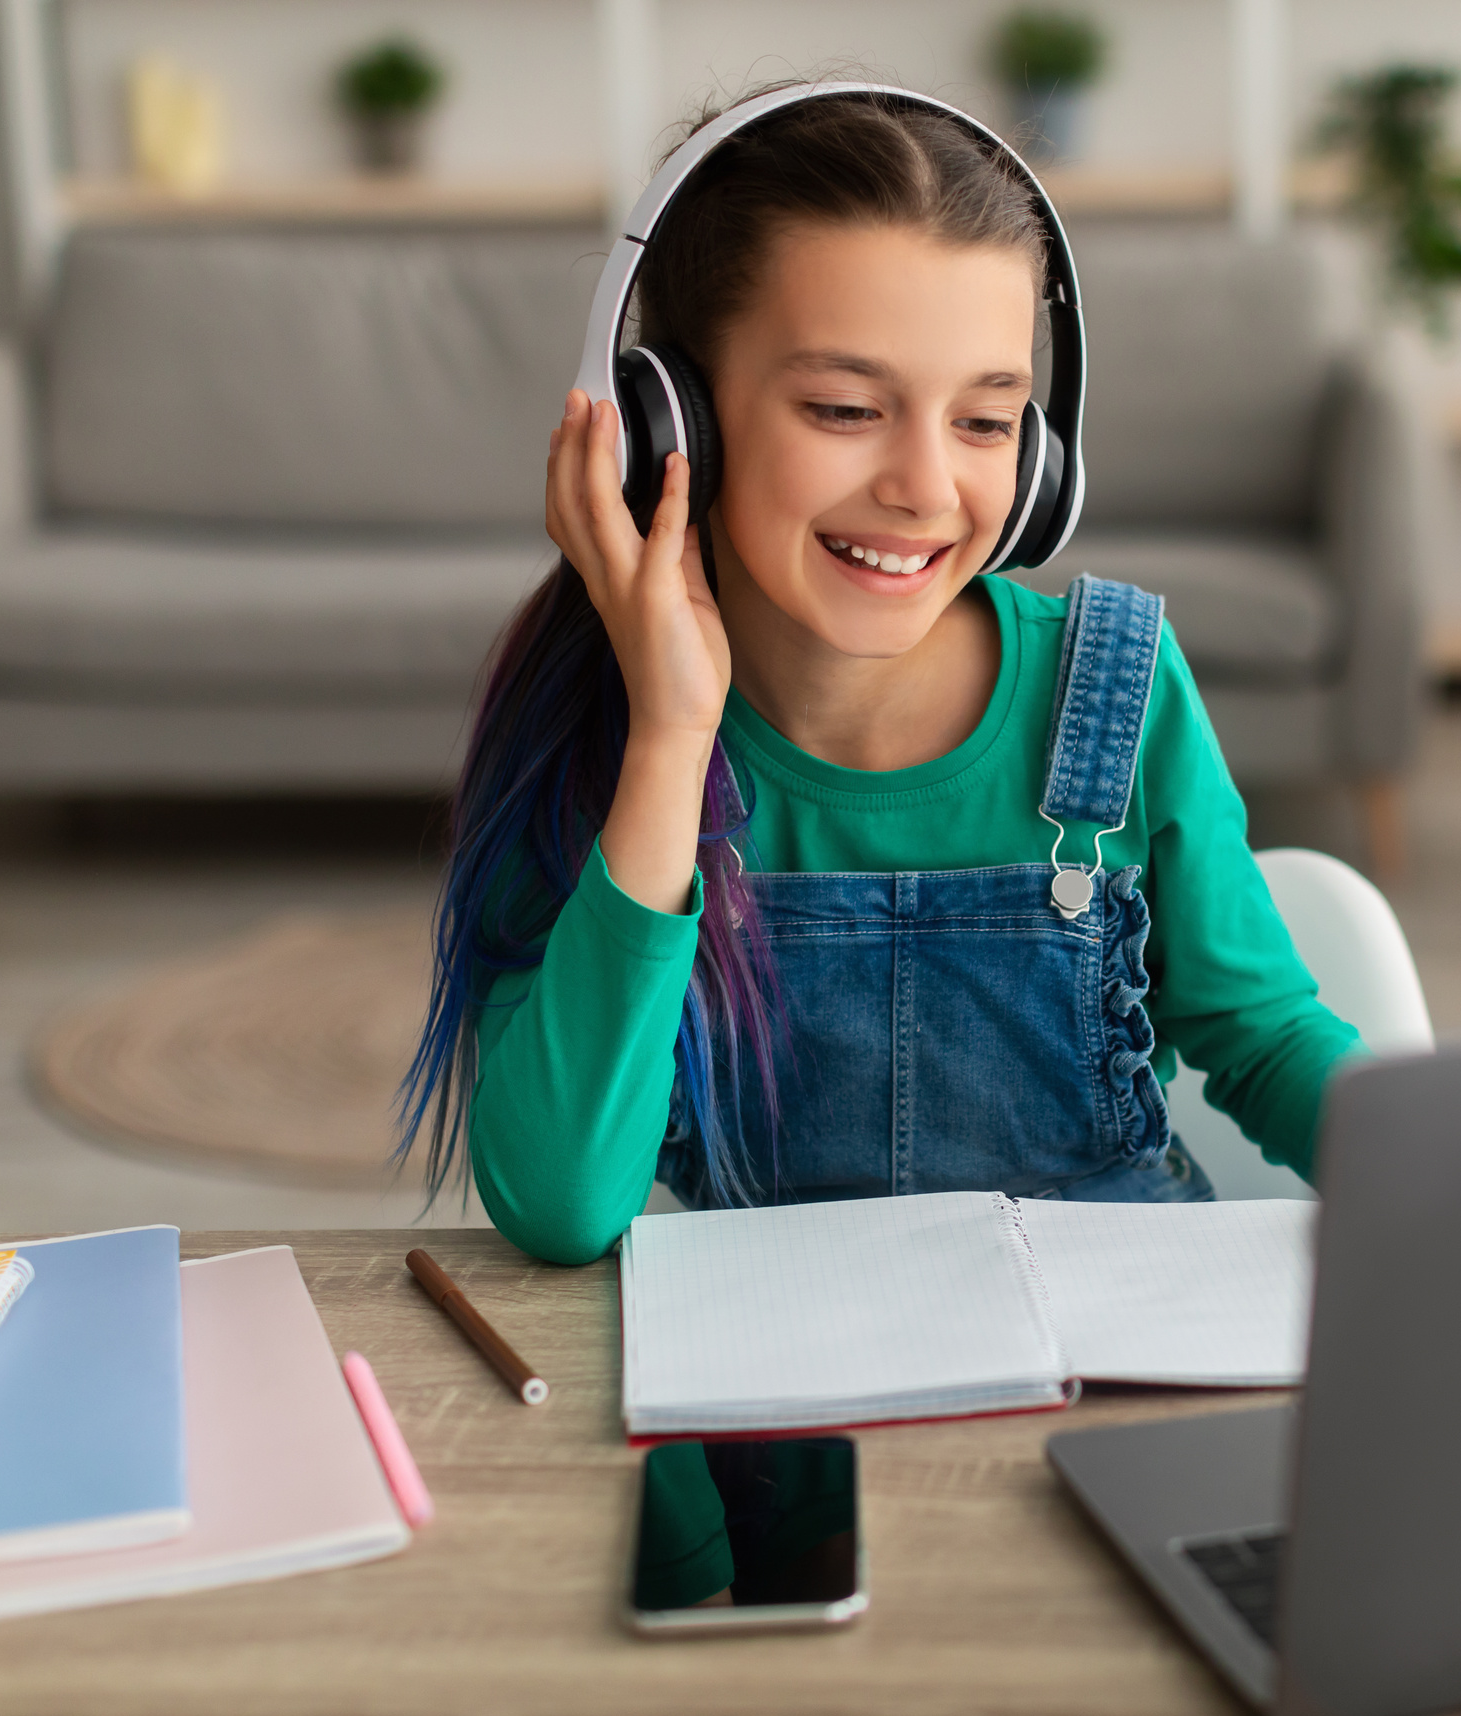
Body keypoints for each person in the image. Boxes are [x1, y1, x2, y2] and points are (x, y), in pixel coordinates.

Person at [401, 88, 1363, 1265]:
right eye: (847, 408)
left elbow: (1264, 1039)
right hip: (795, 1382)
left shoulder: (1114, 688)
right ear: (674, 423)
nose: (924, 487)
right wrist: (670, 735)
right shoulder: (598, 723)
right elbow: (561, 1204)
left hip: (1121, 1343)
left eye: (987, 421)